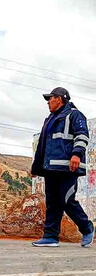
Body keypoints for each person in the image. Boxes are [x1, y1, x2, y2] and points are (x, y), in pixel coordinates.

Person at [31, 87, 93, 248]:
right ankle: (50, 237)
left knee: (67, 200)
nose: (48, 102)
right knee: (52, 202)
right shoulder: (50, 119)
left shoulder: (74, 115)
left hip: (68, 167)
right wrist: (36, 168)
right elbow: (42, 146)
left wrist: (77, 154)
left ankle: (87, 228)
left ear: (59, 98)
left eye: (50, 98)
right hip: (50, 168)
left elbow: (82, 135)